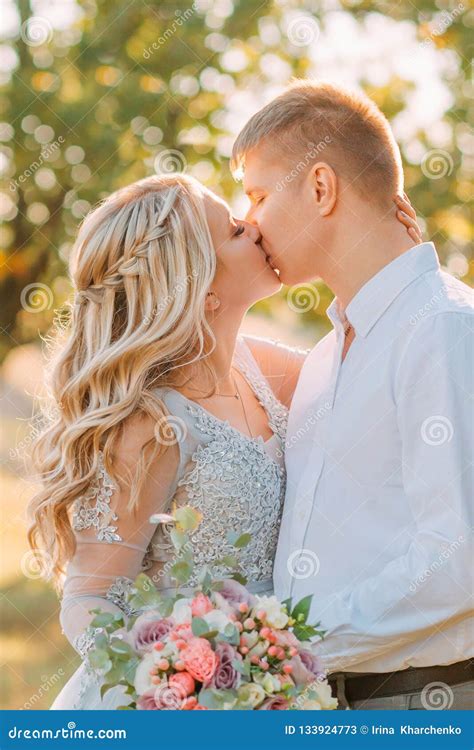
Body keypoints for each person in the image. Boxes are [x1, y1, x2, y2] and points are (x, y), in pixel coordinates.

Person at [231, 79, 474, 710]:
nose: (249, 223)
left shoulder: (444, 329)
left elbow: (459, 558)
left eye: (258, 195)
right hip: (331, 701)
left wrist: (285, 642)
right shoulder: (324, 359)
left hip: (423, 701)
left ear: (320, 186)